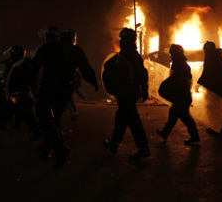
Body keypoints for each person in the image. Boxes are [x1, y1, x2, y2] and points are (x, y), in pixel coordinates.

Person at [31, 28, 98, 168]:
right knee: (55, 119)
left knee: (44, 116)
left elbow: (34, 65)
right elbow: (86, 69)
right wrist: (95, 82)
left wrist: (30, 83)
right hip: (64, 90)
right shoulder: (76, 51)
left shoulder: (49, 47)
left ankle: (57, 149)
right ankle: (50, 148)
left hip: (48, 87)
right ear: (73, 39)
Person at [102, 28, 150, 160]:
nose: (121, 41)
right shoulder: (127, 54)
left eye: (123, 39)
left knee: (133, 120)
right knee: (121, 117)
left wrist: (144, 90)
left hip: (128, 92)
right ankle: (114, 143)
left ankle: (143, 147)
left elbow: (142, 74)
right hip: (126, 92)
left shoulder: (132, 55)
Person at [157, 44, 200, 146]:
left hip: (181, 97)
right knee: (173, 116)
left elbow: (176, 80)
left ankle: (195, 137)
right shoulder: (182, 64)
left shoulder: (179, 65)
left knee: (185, 118)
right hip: (181, 97)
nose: (171, 55)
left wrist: (164, 87)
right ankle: (164, 133)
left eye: (172, 53)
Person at [197, 42, 222, 134]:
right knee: (217, 110)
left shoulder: (210, 61)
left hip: (214, 89)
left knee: (212, 110)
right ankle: (216, 128)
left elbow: (205, 74)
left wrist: (198, 84)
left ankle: (218, 129)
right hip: (220, 90)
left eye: (206, 51)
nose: (205, 52)